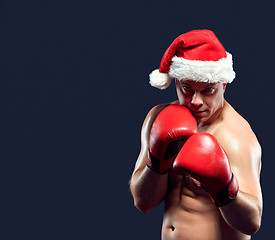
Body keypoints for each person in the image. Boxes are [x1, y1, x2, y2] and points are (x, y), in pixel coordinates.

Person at [129, 29, 263, 240]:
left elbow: (252, 222)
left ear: (223, 85)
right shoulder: (158, 118)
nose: (196, 101)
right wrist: (157, 160)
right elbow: (143, 203)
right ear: (176, 82)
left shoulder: (235, 137)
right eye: (187, 89)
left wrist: (223, 186)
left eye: (208, 90)